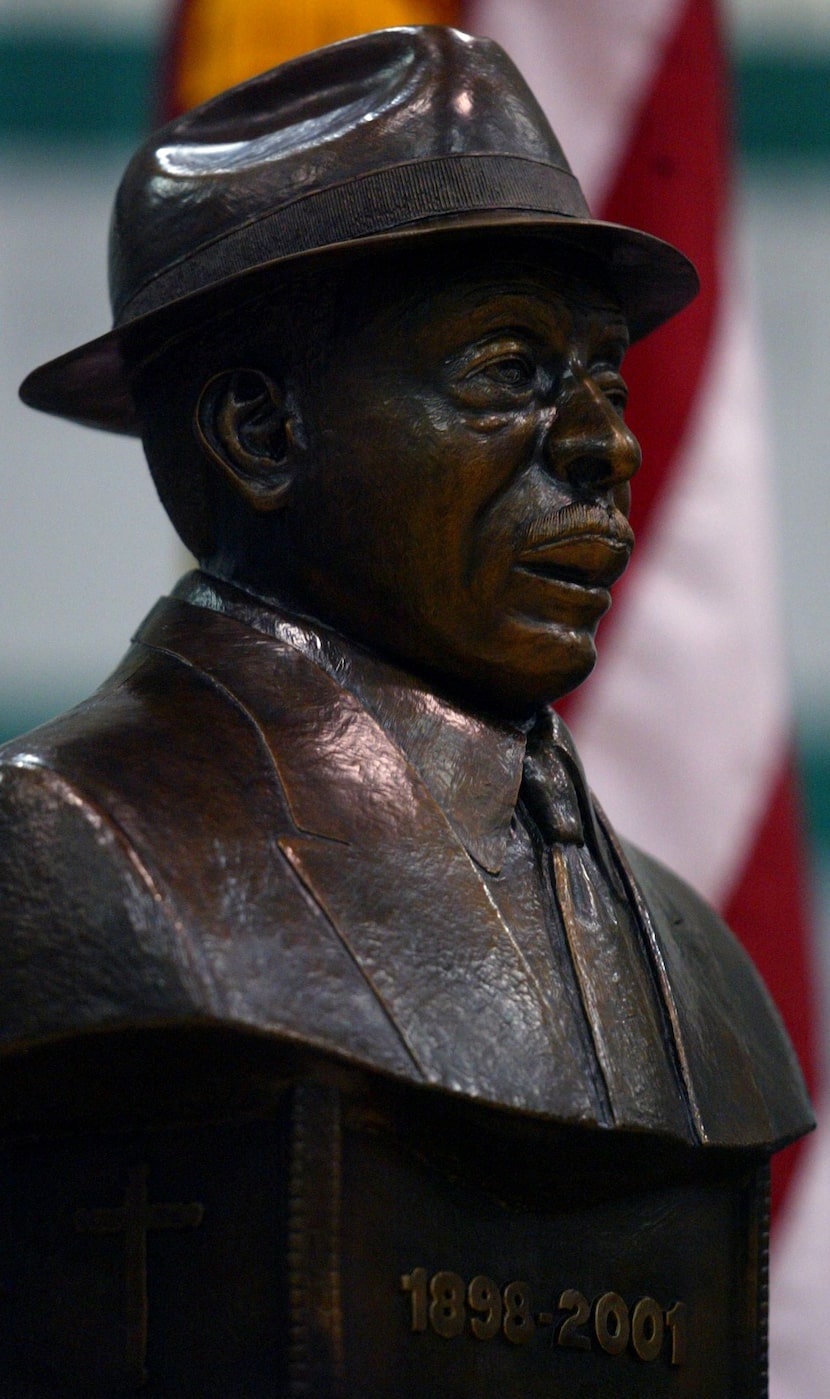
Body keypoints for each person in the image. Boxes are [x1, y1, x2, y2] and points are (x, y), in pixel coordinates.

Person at [0, 25, 812, 1395]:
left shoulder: (686, 954)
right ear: (262, 434)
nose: (603, 445)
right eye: (507, 370)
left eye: (604, 381)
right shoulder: (76, 850)